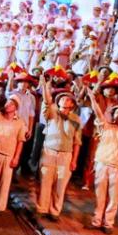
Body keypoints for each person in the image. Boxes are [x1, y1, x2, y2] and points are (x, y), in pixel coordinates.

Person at [84, 97, 118, 234]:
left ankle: (108, 223)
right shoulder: (106, 127)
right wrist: (93, 98)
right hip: (103, 163)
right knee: (99, 195)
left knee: (114, 197)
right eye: (117, 112)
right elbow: (98, 113)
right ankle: (97, 220)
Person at [35, 79, 81, 220]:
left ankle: (55, 210)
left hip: (65, 155)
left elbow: (77, 141)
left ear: (72, 104)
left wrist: (74, 160)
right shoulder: (52, 113)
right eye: (63, 99)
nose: (65, 101)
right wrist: (45, 85)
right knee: (45, 181)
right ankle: (42, 208)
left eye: (68, 100)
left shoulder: (76, 119)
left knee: (60, 184)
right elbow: (47, 103)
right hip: (49, 152)